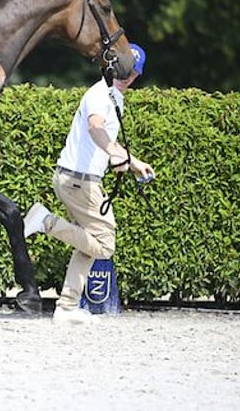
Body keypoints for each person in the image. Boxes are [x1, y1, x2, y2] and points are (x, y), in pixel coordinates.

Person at [22, 43, 154, 324]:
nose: (127, 76)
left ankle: (67, 307)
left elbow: (106, 139)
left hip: (79, 180)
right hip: (78, 182)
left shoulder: (114, 97)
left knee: (89, 243)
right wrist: (117, 154)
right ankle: (45, 221)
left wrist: (130, 162)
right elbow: (95, 128)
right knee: (104, 245)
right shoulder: (99, 96)